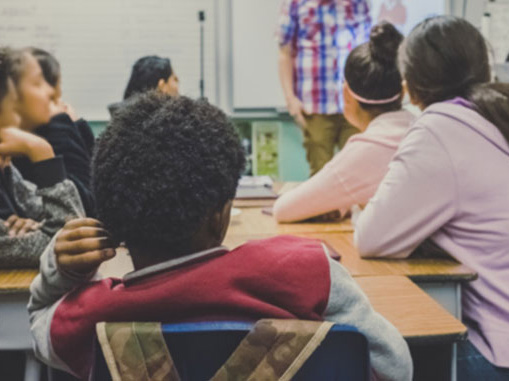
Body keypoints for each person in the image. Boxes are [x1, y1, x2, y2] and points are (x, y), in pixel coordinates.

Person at [28, 93, 412, 381]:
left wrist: (59, 270)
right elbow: (394, 366)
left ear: (112, 221)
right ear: (221, 214)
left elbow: (39, 320)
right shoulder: (307, 273)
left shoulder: (91, 317)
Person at [354, 16, 509, 380]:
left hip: (504, 357)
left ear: (409, 87)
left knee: (371, 353)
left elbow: (371, 237)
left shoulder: (441, 128)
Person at [274, 22, 415, 222]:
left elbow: (283, 210)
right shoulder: (420, 127)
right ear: (403, 92)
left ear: (346, 93)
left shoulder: (366, 149)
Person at [277, 0, 372, 176]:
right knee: (320, 177)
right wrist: (291, 99)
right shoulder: (295, 3)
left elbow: (368, 52)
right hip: (314, 106)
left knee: (358, 174)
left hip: (354, 103)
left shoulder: (356, 1)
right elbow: (285, 52)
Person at [0, 47, 84, 267]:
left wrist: (35, 227)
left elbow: (70, 224)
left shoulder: (6, 166)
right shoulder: (30, 148)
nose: (50, 93)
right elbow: (72, 244)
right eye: (13, 103)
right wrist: (41, 151)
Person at [12, 48, 96, 216]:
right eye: (37, 84)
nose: (52, 93)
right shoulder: (54, 129)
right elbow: (82, 208)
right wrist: (65, 124)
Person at [109, 55, 179, 117]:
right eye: (175, 79)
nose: (178, 83)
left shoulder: (119, 120)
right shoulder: (162, 125)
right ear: (162, 86)